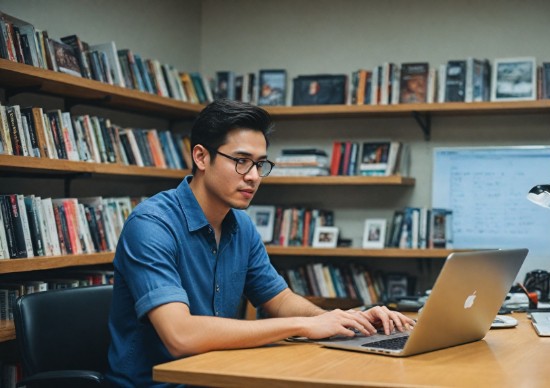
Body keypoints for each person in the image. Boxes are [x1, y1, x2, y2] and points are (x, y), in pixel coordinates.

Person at [106, 99, 415, 387]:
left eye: (260, 164)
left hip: (219, 376)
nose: (253, 176)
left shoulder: (240, 225)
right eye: (241, 161)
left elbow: (278, 299)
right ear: (201, 157)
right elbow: (180, 336)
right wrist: (302, 326)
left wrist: (345, 320)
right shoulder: (151, 225)